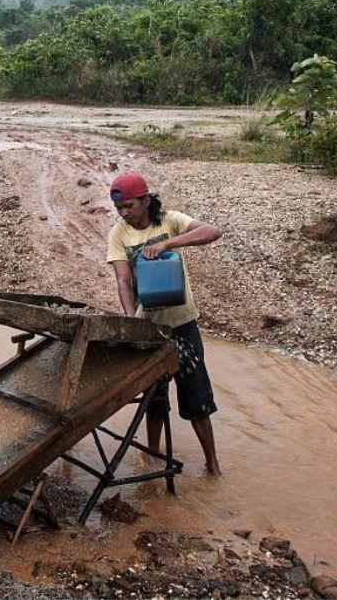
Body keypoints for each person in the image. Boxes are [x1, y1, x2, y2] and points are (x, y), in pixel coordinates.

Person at [105, 171, 224, 475]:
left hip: (183, 323)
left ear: (145, 200)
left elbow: (212, 231)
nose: (124, 213)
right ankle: (152, 456)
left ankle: (213, 465)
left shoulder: (169, 220)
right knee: (154, 399)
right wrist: (132, 320)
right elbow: (123, 278)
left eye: (129, 206)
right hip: (151, 329)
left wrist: (168, 245)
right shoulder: (119, 234)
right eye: (119, 208)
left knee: (197, 397)